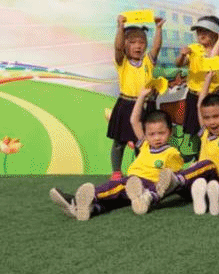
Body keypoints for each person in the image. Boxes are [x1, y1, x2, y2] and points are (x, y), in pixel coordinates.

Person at [52, 86, 182, 219]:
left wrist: (154, 192)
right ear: (146, 134)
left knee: (117, 186)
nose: (157, 138)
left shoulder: (171, 153)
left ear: (170, 132)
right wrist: (142, 97)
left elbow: (173, 179)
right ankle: (89, 209)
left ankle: (82, 199)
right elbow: (134, 120)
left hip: (145, 186)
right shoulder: (145, 145)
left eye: (161, 133)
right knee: (114, 200)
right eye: (152, 134)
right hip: (133, 185)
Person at [155, 72, 219, 214]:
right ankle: (151, 196)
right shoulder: (205, 134)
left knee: (207, 165)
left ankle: (203, 192)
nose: (211, 122)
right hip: (198, 177)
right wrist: (207, 80)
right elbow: (199, 105)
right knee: (196, 181)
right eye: (207, 118)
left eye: (216, 117)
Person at [107, 13, 165, 178]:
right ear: (125, 44)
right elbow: (118, 48)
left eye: (141, 42)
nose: (138, 46)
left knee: (143, 142)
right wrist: (120, 27)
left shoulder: (147, 61)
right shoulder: (122, 62)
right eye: (132, 42)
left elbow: (156, 48)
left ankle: (141, 172)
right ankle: (116, 172)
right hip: (126, 105)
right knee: (119, 142)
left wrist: (158, 28)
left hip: (146, 105)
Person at [174, 14, 219, 158]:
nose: (201, 34)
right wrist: (182, 55)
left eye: (205, 31)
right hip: (195, 97)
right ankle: (198, 159)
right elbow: (179, 64)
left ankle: (217, 157)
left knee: (218, 129)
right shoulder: (193, 49)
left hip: (216, 97)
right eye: (199, 31)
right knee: (195, 130)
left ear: (215, 33)